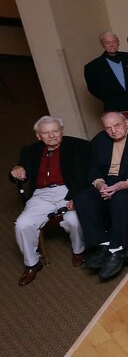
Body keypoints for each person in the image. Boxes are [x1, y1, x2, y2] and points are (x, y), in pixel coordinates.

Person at [73, 112, 128, 280]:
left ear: (126, 124)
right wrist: (100, 184)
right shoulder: (100, 140)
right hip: (107, 181)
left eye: (117, 126)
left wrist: (125, 184)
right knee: (82, 198)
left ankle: (117, 249)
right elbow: (91, 167)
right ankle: (102, 244)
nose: (113, 131)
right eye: (108, 128)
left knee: (120, 198)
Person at [11, 116, 90, 286]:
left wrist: (75, 196)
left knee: (74, 219)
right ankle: (32, 263)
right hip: (41, 194)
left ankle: (79, 251)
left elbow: (84, 176)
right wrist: (17, 170)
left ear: (62, 131)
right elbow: (19, 171)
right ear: (38, 136)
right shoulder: (29, 150)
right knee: (22, 224)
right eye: (46, 133)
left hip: (68, 190)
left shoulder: (78, 146)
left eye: (55, 131)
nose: (52, 135)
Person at [84, 31, 128, 113]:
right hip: (115, 109)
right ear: (102, 44)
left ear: (118, 42)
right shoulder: (93, 67)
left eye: (114, 42)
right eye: (107, 43)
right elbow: (94, 89)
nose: (111, 45)